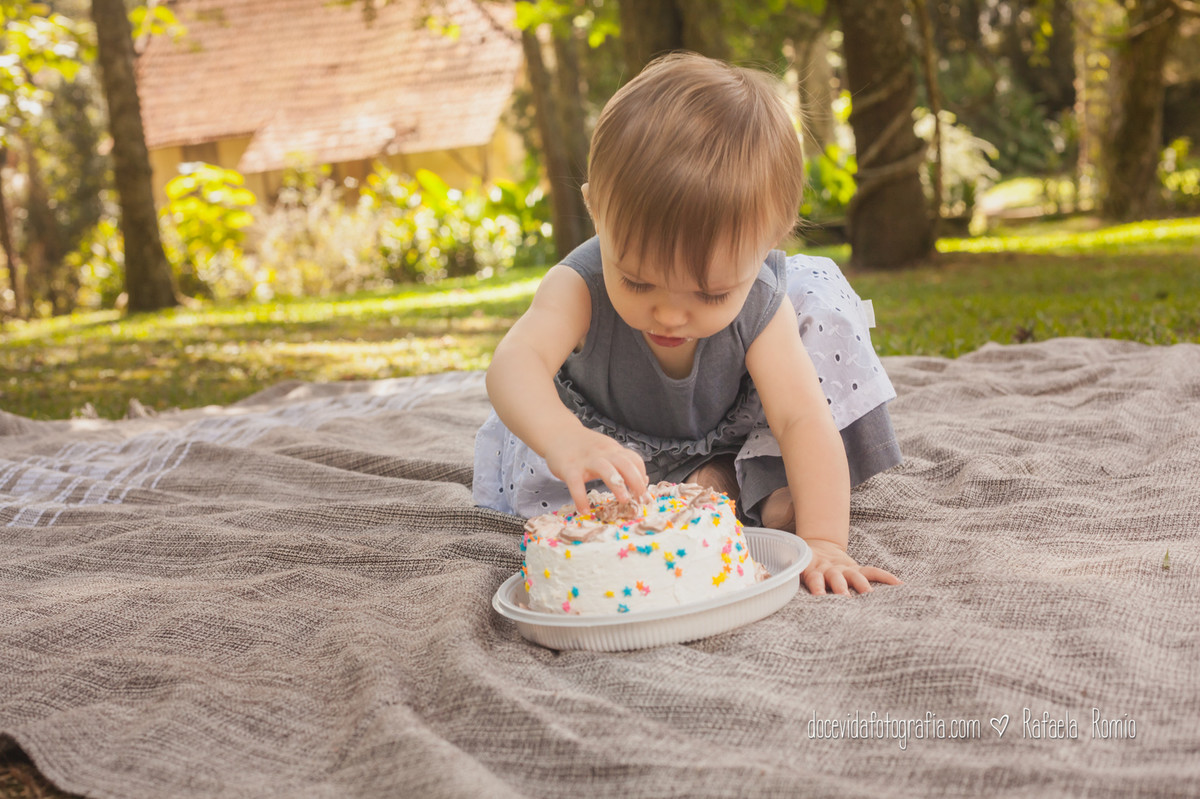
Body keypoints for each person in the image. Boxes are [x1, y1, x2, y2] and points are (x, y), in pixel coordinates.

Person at [473, 53, 902, 595]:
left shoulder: (760, 300)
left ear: (770, 241)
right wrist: (567, 439)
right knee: (593, 513)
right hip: (610, 446)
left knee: (817, 317)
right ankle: (718, 485)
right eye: (637, 282)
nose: (671, 315)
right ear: (596, 211)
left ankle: (741, 477)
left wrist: (824, 541)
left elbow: (800, 419)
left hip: (726, 425)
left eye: (712, 293)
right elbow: (514, 363)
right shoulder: (578, 286)